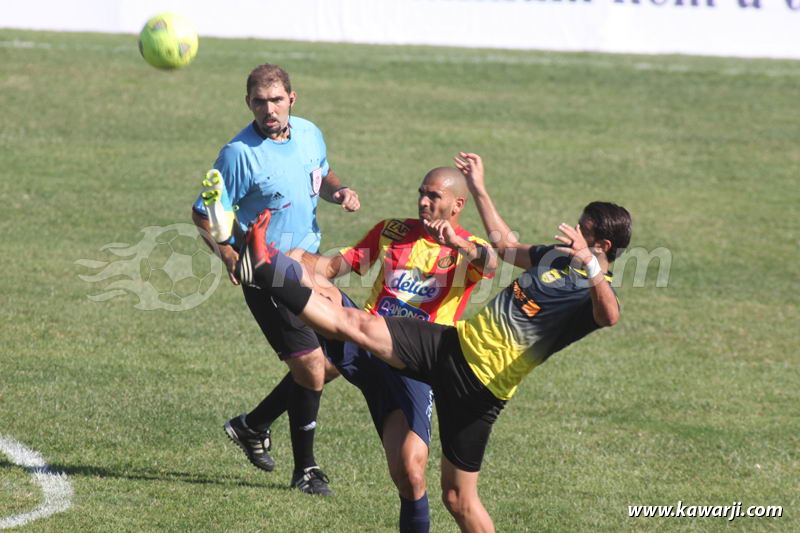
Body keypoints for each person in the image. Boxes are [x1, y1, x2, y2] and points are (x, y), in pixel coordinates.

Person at [233, 153, 632, 532]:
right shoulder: (556, 260)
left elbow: (608, 315)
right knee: (351, 322)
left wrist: (593, 269)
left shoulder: (593, 293)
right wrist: (479, 187)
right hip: (448, 349)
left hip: (483, 392)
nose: (573, 234)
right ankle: (264, 266)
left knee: (456, 498)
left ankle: (259, 409)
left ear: (603, 247)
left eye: (583, 231)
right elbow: (507, 248)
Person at [240, 166, 496, 531]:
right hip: (365, 340)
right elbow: (332, 267)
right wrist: (297, 257)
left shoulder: (467, 249)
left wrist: (460, 245)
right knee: (301, 267)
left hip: (415, 366)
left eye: (433, 196)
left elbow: (492, 262)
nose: (423, 201)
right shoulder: (393, 231)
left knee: (410, 473)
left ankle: (264, 266)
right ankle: (261, 260)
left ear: (457, 205)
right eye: (421, 192)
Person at [191, 63, 360, 496]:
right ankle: (306, 470)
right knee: (310, 368)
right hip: (266, 271)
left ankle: (253, 425)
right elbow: (202, 210)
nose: (269, 110)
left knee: (346, 351)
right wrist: (228, 253)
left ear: (292, 99)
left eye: (276, 100)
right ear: (248, 103)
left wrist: (338, 191)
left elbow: (321, 174)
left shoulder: (308, 133)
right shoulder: (238, 155)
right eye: (259, 102)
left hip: (311, 265)